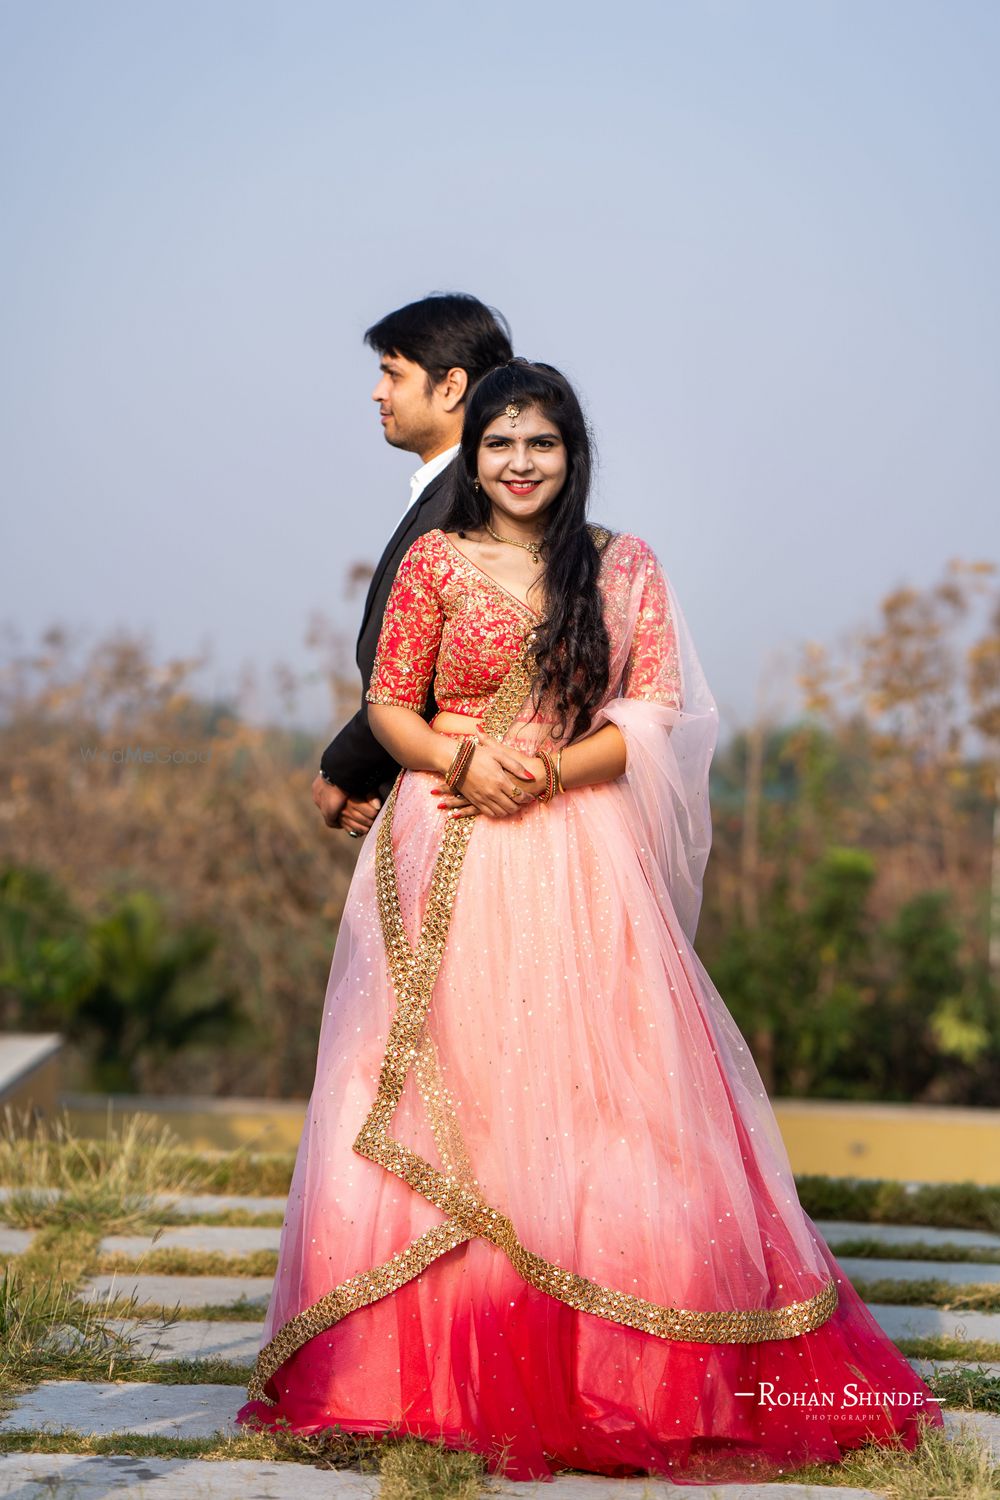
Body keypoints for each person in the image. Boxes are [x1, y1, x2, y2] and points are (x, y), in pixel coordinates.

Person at [237, 360, 943, 1484]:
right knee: (443, 1088)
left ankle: (628, 1373)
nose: (520, 465)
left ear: (573, 454)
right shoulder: (433, 559)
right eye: (501, 444)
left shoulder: (623, 566)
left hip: (578, 851)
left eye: (543, 444)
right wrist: (465, 759)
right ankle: (422, 1369)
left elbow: (660, 710)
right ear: (473, 454)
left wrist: (551, 771)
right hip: (443, 835)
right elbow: (388, 703)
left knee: (602, 1092)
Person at [314, 292, 513, 839]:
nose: (379, 392)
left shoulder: (464, 502)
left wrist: (341, 772)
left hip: (463, 804)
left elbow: (417, 677)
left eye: (394, 374)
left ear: (450, 387)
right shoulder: (451, 492)